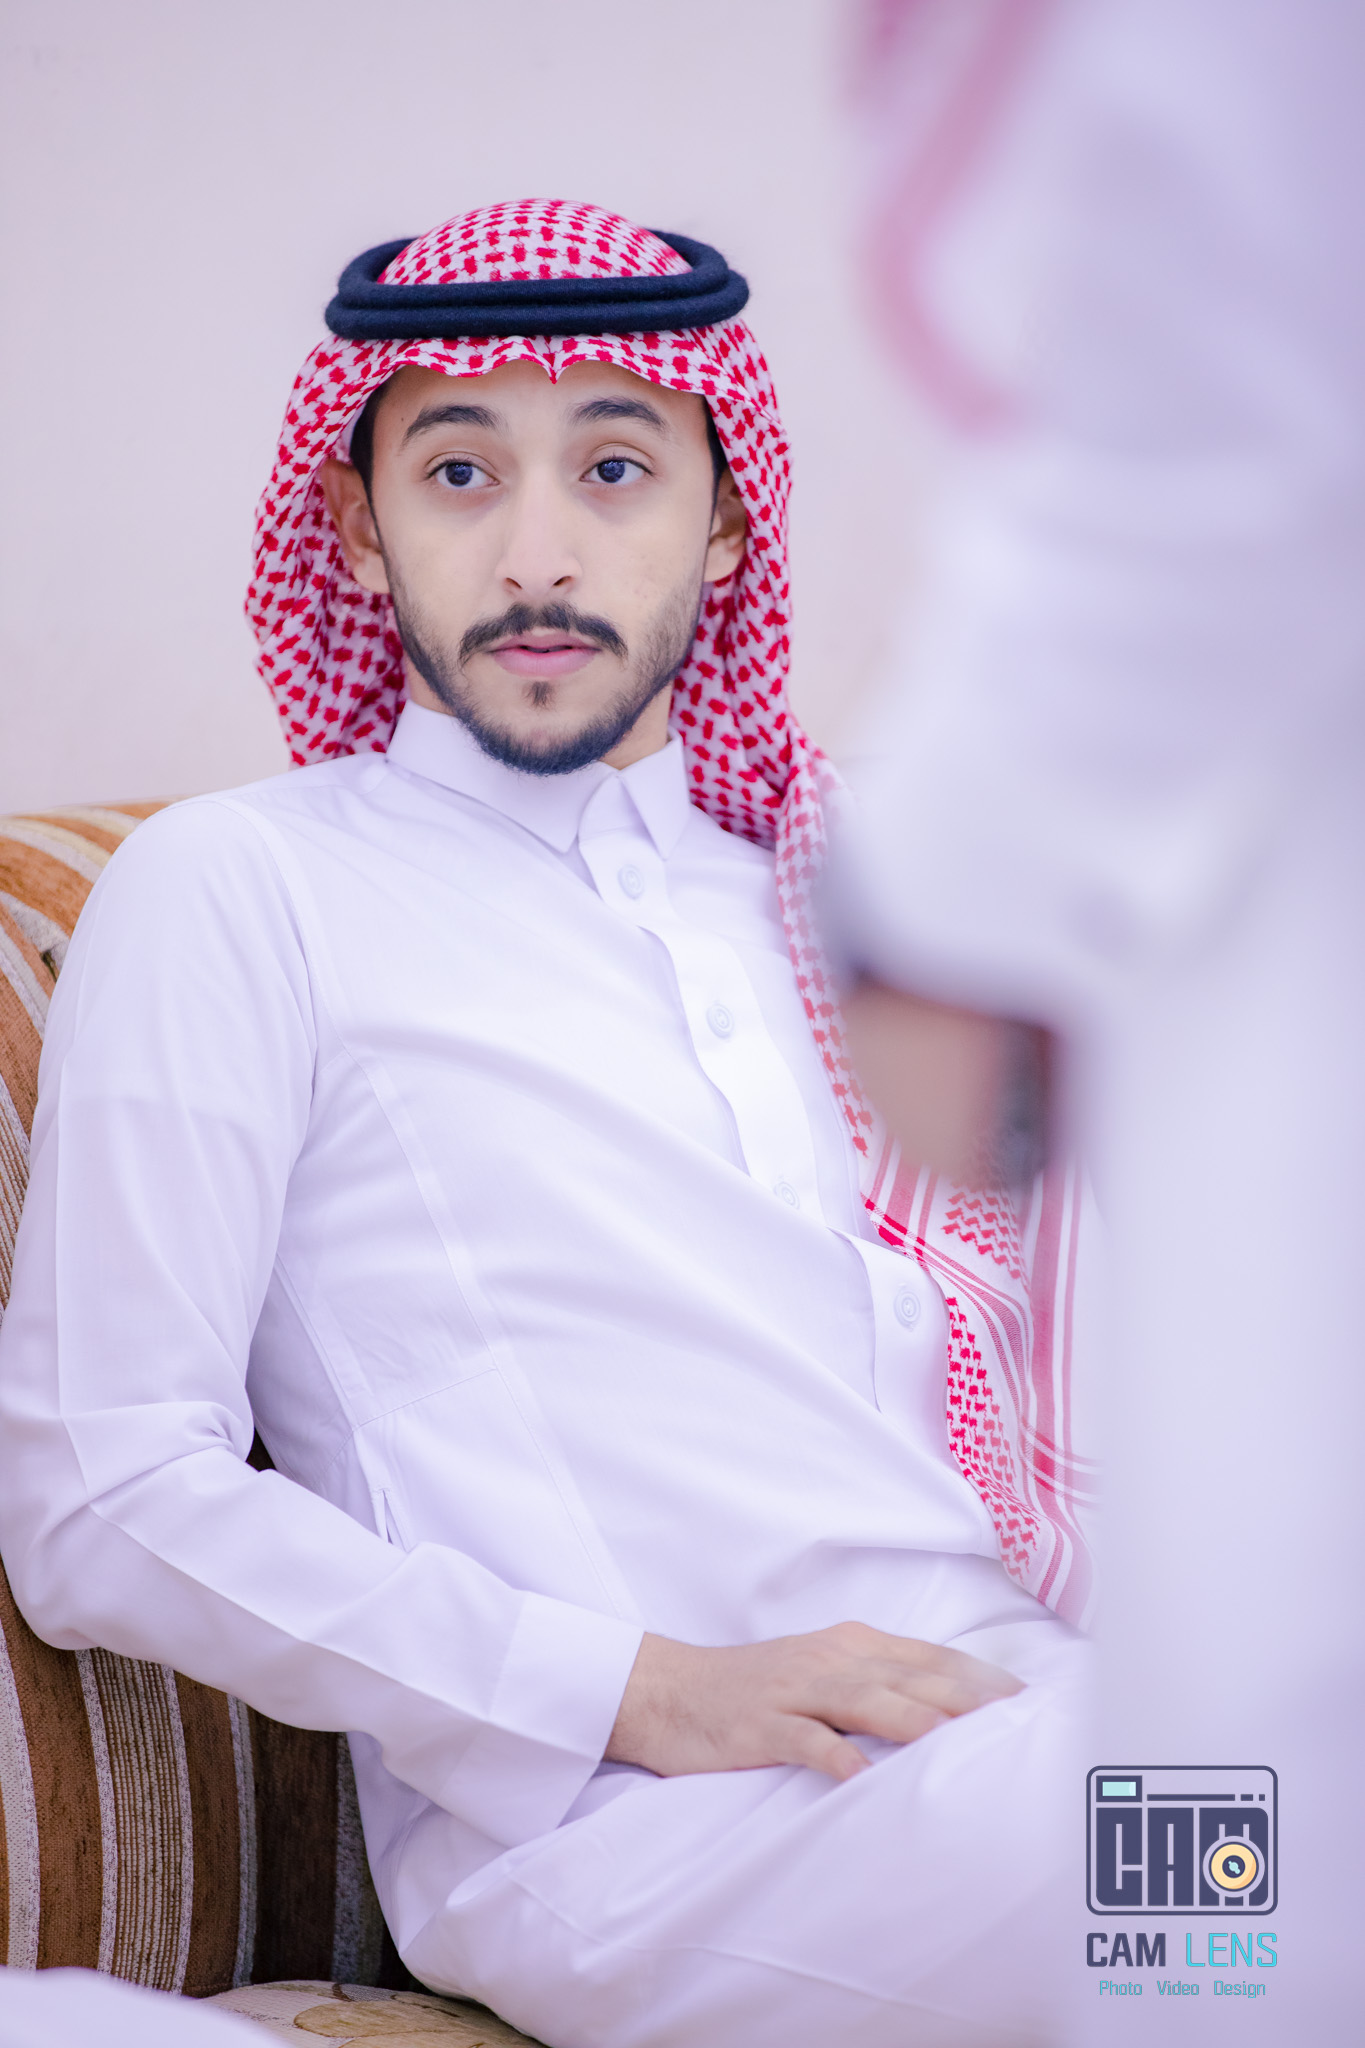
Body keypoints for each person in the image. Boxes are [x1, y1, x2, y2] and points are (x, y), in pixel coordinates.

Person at [0, 201, 1095, 2048]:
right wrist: (636, 1689)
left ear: (724, 516)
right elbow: (100, 1497)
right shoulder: (249, 887)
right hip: (663, 1829)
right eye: (456, 471)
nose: (535, 554)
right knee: (1276, 1847)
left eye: (613, 467)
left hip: (1058, 1715)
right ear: (357, 524)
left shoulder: (854, 893)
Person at [836, 3, 1365, 2039]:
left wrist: (928, 915)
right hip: (712, 1772)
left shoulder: (803, 862)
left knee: (1235, 1782)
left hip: (1255, 856)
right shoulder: (249, 889)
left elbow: (1210, 424)